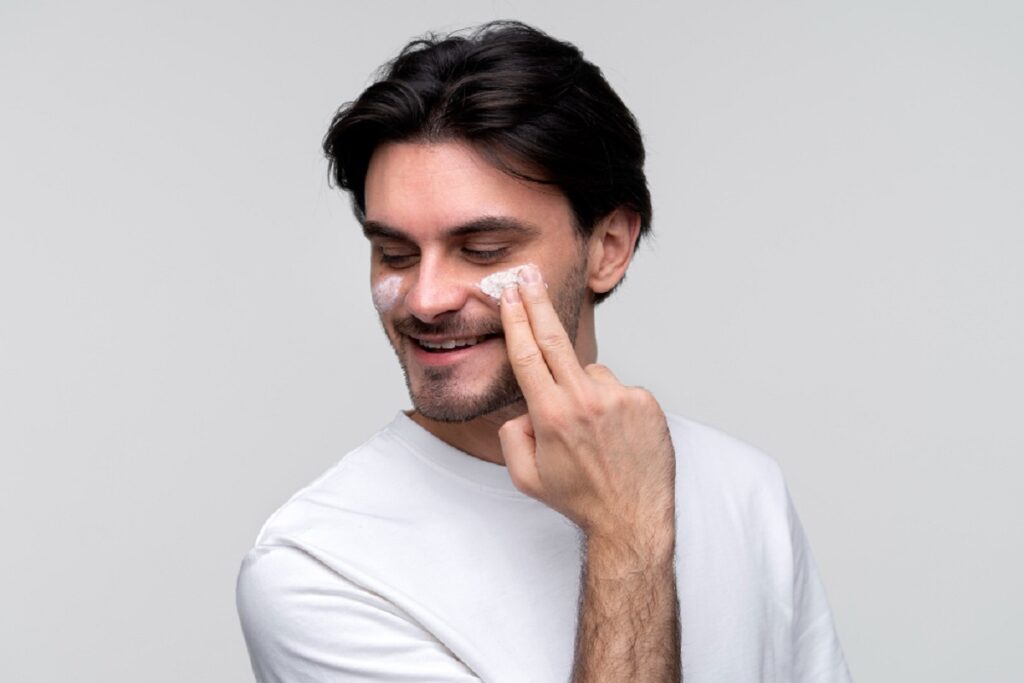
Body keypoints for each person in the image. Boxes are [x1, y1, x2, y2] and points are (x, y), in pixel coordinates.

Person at [235, 20, 852, 682]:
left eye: (484, 250)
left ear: (608, 246)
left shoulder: (745, 487)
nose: (425, 298)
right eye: (395, 253)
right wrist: (625, 535)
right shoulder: (317, 565)